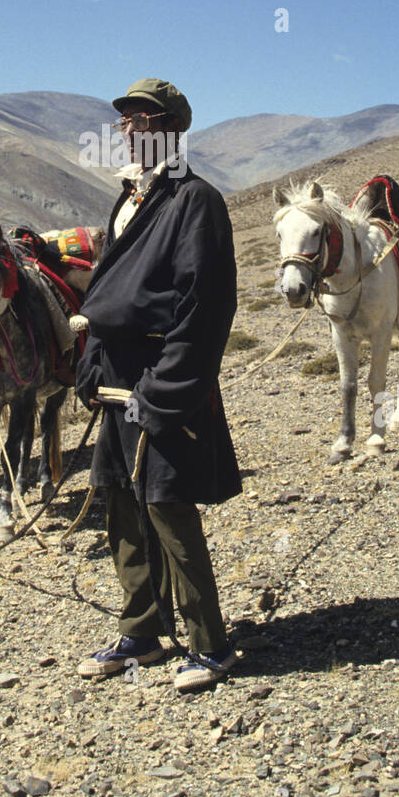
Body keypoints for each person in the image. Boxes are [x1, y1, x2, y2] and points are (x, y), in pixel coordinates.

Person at [75, 78, 242, 692]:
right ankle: (141, 628)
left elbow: (205, 306)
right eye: (123, 120)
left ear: (171, 128)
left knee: (168, 506)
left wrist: (168, 388)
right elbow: (103, 292)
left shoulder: (196, 202)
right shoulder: (126, 200)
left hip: (160, 376)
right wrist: (91, 364)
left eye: (141, 118)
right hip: (115, 375)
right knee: (120, 500)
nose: (127, 128)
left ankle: (210, 643)